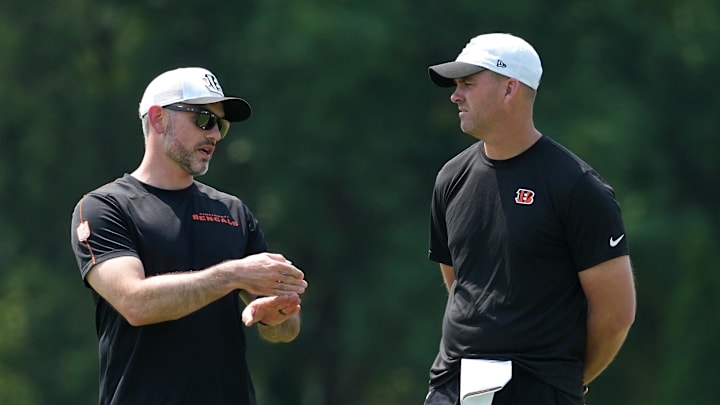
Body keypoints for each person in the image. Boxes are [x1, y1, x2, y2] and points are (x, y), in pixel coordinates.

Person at [69, 67, 308, 405]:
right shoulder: (105, 207)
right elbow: (135, 302)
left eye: (220, 125)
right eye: (203, 119)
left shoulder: (233, 212)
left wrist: (278, 317)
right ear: (157, 118)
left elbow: (287, 329)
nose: (215, 135)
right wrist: (233, 274)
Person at [422, 33, 636, 405]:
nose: (456, 96)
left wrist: (565, 377)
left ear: (510, 90)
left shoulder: (577, 187)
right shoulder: (450, 177)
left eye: (469, 84)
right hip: (453, 385)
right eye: (456, 86)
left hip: (539, 390)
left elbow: (616, 313)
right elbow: (459, 281)